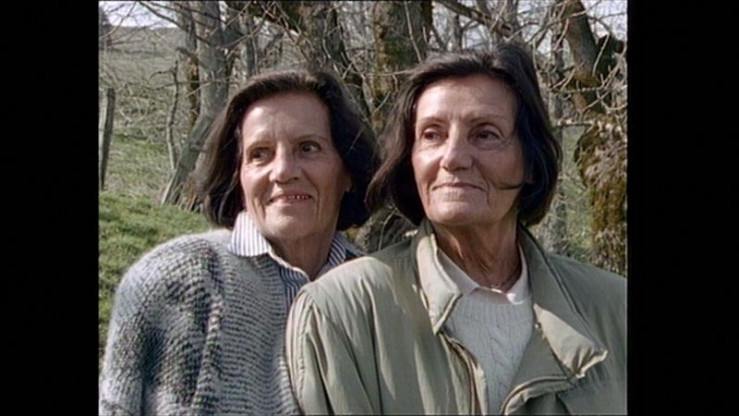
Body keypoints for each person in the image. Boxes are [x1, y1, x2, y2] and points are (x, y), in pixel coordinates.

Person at [286, 43, 626, 415]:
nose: (453, 158)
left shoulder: (613, 309)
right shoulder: (343, 311)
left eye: (485, 134)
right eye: (432, 135)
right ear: (411, 160)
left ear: (530, 161)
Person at [98, 68, 378, 415]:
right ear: (239, 176)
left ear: (348, 171)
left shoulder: (381, 295)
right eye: (260, 154)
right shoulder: (174, 281)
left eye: (308, 148)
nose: (283, 171)